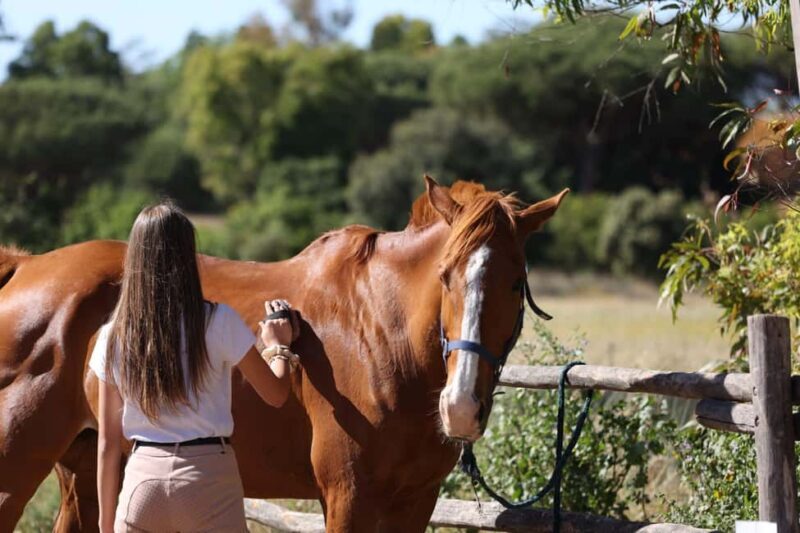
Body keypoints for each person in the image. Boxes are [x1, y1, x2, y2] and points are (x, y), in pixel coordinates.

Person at [89, 201, 300, 533]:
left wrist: (105, 526)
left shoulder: (113, 335)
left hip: (142, 483)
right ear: (187, 257)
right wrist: (278, 346)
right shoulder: (219, 321)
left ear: (136, 258)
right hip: (208, 481)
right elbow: (275, 394)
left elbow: (107, 444)